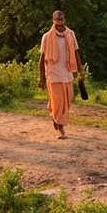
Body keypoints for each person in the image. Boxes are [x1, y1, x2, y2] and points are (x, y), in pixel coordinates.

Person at [37, 10, 81, 139]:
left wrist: (81, 71)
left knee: (68, 101)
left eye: (61, 19)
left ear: (64, 19)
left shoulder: (70, 34)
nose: (60, 22)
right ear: (53, 20)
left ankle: (53, 110)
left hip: (67, 73)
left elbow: (76, 53)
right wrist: (41, 77)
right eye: (57, 19)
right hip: (53, 75)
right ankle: (59, 128)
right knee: (58, 103)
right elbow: (42, 58)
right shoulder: (47, 37)